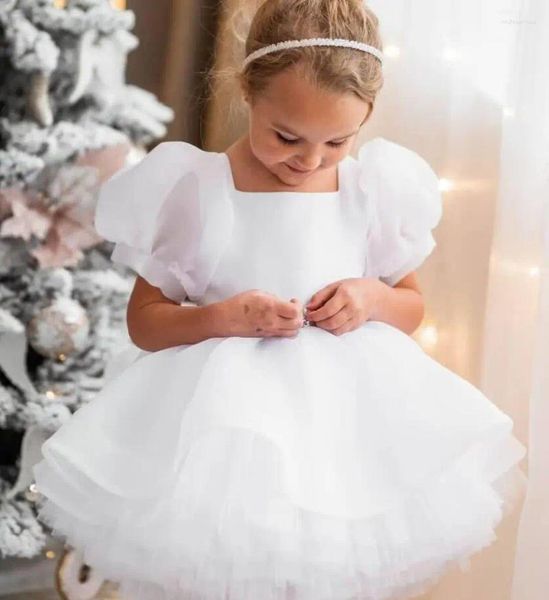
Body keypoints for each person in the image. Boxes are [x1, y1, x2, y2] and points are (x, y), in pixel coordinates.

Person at [32, 1, 527, 599]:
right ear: (248, 92)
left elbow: (412, 307)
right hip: (222, 437)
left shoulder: (372, 192)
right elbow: (145, 323)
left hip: (342, 429)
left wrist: (370, 298)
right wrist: (222, 317)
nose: (309, 160)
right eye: (286, 136)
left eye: (338, 141)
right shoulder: (197, 189)